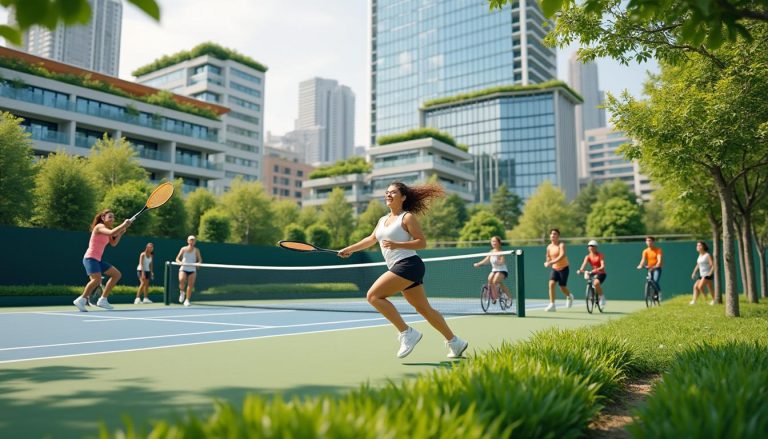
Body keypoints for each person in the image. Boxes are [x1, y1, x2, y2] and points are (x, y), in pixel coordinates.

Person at [338, 181, 468, 359]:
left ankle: (407, 333)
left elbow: (421, 242)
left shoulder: (407, 217)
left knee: (373, 296)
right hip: (402, 267)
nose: (388, 195)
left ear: (403, 197)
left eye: (393, 192)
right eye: (387, 192)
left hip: (408, 264)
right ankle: (455, 342)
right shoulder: (382, 220)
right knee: (424, 309)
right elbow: (371, 239)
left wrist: (397, 244)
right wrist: (349, 249)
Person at [73, 209, 132, 312]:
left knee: (116, 275)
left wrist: (121, 232)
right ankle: (81, 299)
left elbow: (113, 243)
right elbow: (112, 232)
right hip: (90, 258)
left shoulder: (108, 230)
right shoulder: (99, 227)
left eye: (113, 217)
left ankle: (103, 300)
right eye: (110, 217)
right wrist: (123, 225)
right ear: (103, 218)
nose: (112, 219)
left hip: (98, 260)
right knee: (96, 280)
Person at [473, 236, 512, 304]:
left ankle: (508, 297)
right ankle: (495, 297)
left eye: (495, 241)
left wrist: (499, 262)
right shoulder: (491, 252)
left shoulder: (500, 252)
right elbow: (486, 260)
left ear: (498, 243)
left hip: (502, 270)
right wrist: (478, 264)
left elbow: (502, 261)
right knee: (490, 280)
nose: (493, 243)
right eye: (492, 241)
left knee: (495, 281)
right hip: (494, 270)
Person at [544, 228, 573, 312]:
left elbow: (562, 256)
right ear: (550, 236)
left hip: (564, 268)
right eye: (552, 234)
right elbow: (548, 257)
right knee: (551, 284)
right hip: (555, 269)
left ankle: (569, 296)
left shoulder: (561, 245)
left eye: (555, 234)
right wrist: (547, 262)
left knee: (562, 287)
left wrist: (551, 262)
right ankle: (552, 305)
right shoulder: (549, 247)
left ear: (558, 236)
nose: (553, 235)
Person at [577, 240, 607, 309]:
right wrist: (580, 270)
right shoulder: (587, 256)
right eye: (589, 246)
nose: (590, 247)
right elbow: (583, 265)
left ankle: (602, 297)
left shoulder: (600, 255)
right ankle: (591, 297)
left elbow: (602, 266)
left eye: (592, 246)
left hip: (601, 273)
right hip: (593, 273)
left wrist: (596, 270)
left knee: (596, 283)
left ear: (596, 247)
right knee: (590, 282)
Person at [176, 235, 202, 307]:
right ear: (188, 241)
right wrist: (180, 262)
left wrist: (198, 263)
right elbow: (177, 259)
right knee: (181, 280)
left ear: (195, 242)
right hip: (183, 268)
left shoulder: (196, 250)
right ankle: (182, 292)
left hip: (192, 269)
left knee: (190, 285)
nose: (192, 241)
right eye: (190, 240)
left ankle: (187, 300)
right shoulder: (183, 249)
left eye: (193, 240)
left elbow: (200, 260)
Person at [637, 236, 663, 300]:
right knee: (650, 280)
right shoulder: (645, 251)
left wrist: (657, 265)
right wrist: (640, 265)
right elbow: (643, 260)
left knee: (655, 281)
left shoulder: (658, 250)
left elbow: (659, 260)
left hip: (657, 268)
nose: (648, 242)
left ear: (653, 242)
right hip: (650, 268)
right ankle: (651, 294)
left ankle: (659, 293)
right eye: (647, 241)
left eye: (650, 240)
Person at [690, 241, 715, 305]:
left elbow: (712, 265)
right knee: (696, 287)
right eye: (697, 245)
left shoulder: (707, 255)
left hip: (707, 274)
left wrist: (710, 273)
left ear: (703, 246)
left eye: (699, 245)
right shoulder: (700, 255)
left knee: (700, 286)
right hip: (702, 275)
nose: (698, 247)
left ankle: (706, 298)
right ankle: (694, 301)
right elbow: (698, 265)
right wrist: (694, 272)